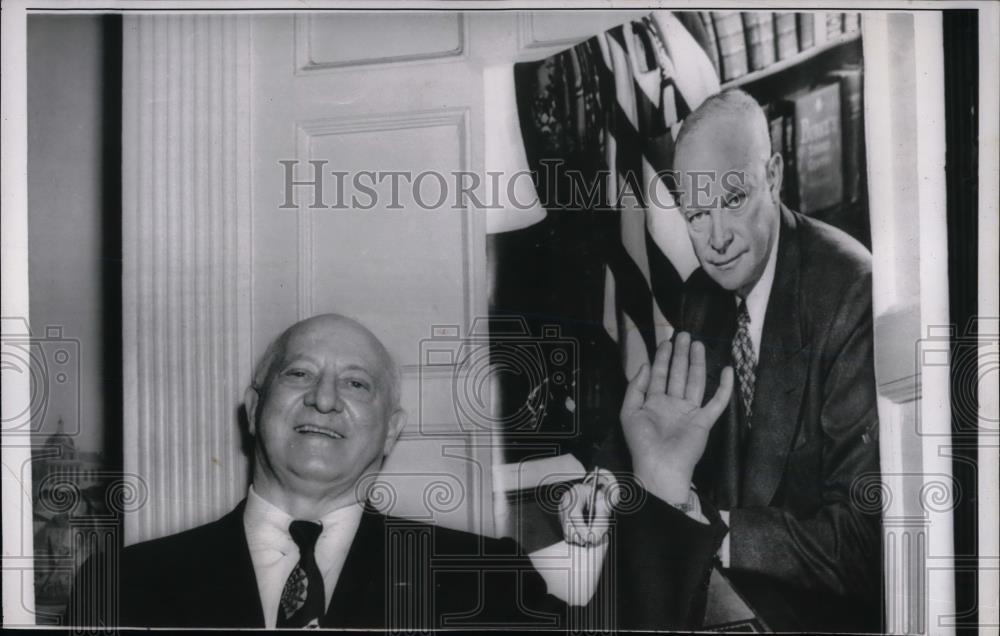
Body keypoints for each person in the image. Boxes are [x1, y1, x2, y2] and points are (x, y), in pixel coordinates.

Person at [65, 313, 732, 629]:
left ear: (392, 432)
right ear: (253, 409)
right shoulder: (124, 590)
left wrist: (662, 479)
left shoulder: (484, 580)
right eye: (299, 374)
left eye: (356, 384)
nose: (324, 398)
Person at [665, 88, 882, 631]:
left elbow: (863, 542)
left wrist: (716, 531)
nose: (716, 239)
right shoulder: (700, 296)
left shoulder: (851, 292)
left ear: (774, 175)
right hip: (731, 602)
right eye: (697, 214)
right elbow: (666, 437)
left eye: (734, 200)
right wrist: (610, 487)